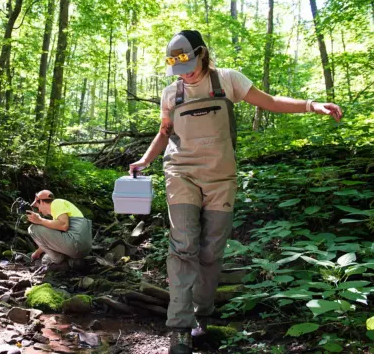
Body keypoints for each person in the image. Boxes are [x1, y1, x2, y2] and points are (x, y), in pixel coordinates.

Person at [129, 30, 343, 354]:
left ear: (201, 53)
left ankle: (202, 316)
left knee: (211, 252)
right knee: (183, 244)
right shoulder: (171, 94)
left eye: (188, 63)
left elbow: (270, 102)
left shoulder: (227, 81)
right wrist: (145, 160)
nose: (184, 73)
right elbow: (164, 133)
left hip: (221, 178)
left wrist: (312, 106)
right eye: (179, 67)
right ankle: (180, 330)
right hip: (180, 173)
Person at [26, 190, 92, 271]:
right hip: (83, 249)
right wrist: (38, 251)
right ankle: (72, 262)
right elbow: (55, 237)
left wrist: (39, 220)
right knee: (46, 258)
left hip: (74, 244)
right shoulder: (58, 214)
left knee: (33, 228)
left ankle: (58, 261)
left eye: (38, 206)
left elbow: (64, 225)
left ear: (42, 202)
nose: (39, 210)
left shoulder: (57, 203)